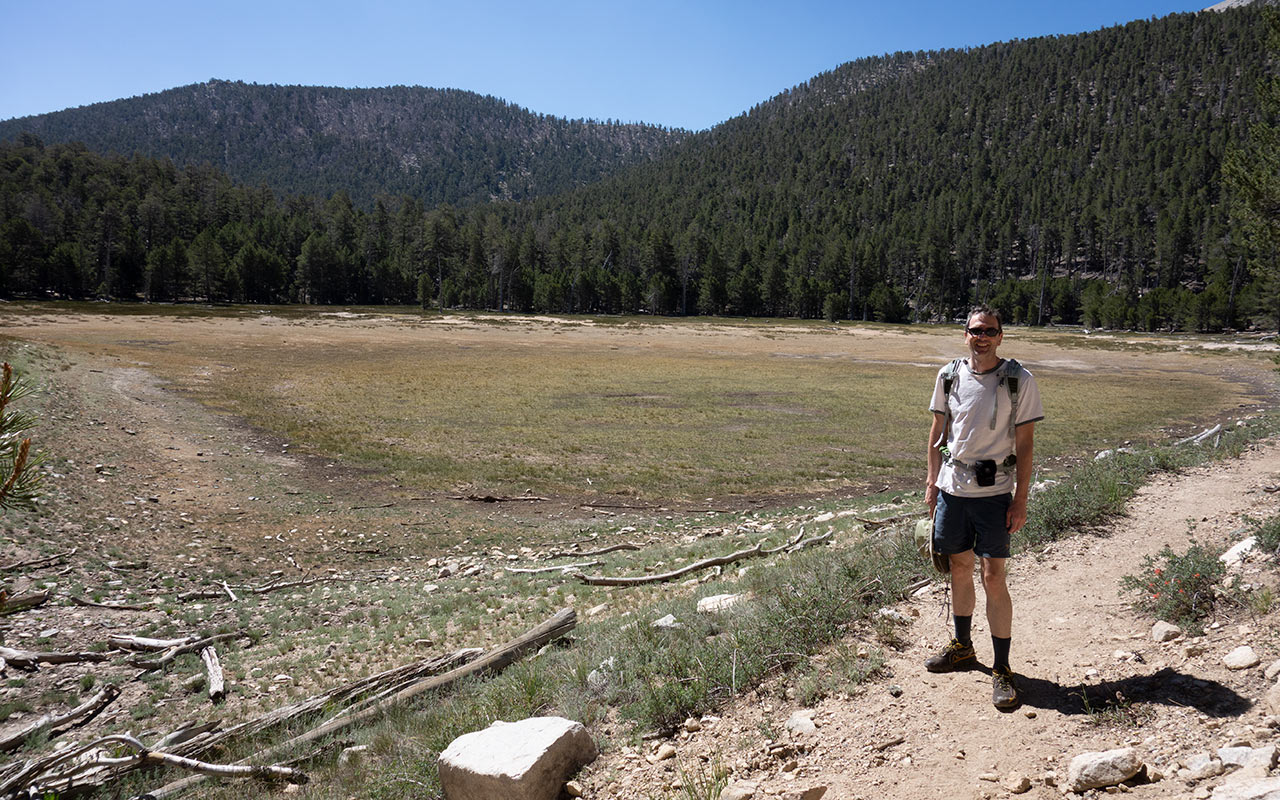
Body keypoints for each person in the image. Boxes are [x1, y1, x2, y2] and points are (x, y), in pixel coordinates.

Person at [923, 305, 1043, 709]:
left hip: (994, 494)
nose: (982, 337)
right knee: (958, 567)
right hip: (953, 490)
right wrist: (932, 484)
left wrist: (1021, 498)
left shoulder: (1018, 380)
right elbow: (937, 434)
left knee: (993, 576)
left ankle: (1003, 668)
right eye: (976, 330)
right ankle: (962, 646)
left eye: (990, 330)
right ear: (966, 335)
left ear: (1001, 335)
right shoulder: (948, 375)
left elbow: (1025, 444)